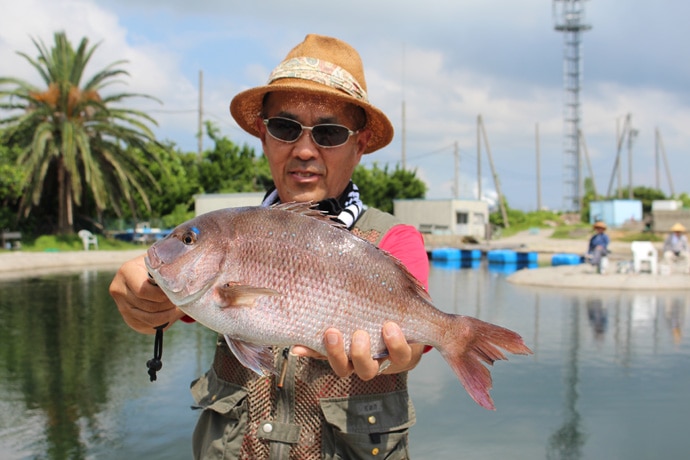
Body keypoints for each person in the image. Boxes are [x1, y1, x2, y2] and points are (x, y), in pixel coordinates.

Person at [109, 34, 430, 459]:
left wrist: (400, 356)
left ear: (361, 144)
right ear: (263, 135)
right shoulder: (226, 235)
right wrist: (144, 297)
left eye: (329, 133)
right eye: (285, 127)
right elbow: (165, 308)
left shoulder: (394, 240)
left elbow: (416, 342)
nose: (303, 150)